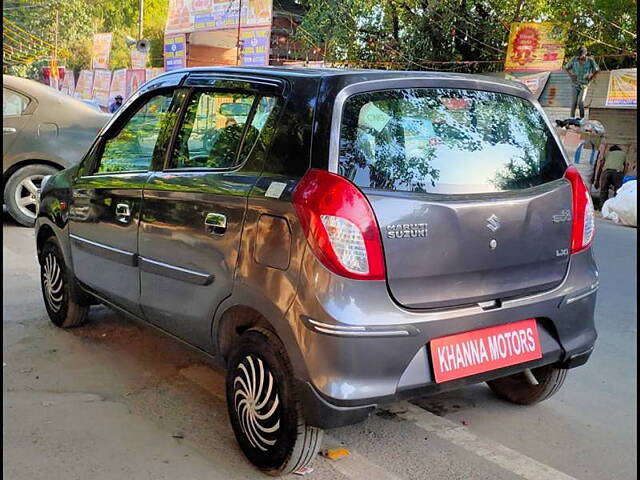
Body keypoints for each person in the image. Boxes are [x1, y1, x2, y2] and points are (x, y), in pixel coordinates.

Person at [564, 46, 599, 119]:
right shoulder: (574, 59)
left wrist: (591, 76)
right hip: (575, 84)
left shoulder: (590, 60)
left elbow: (596, 70)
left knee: (581, 102)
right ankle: (572, 118)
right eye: (579, 55)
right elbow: (566, 67)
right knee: (574, 103)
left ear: (585, 54)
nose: (580, 57)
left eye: (582, 55)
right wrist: (571, 75)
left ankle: (582, 118)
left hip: (584, 85)